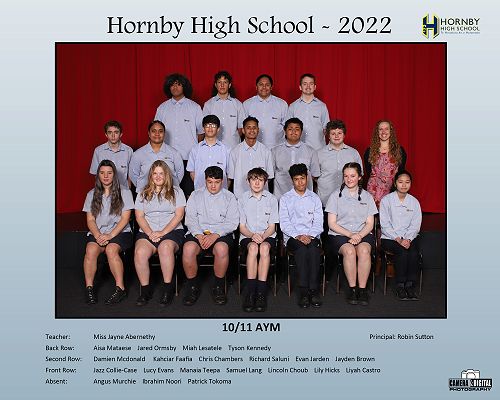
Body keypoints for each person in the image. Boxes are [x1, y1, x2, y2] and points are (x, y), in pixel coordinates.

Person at [182, 166, 239, 306]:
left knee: (221, 249)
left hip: (220, 233)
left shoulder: (229, 197)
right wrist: (199, 235)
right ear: (205, 181)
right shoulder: (195, 195)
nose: (213, 186)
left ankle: (218, 286)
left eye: (217, 182)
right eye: (210, 182)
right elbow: (190, 219)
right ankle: (192, 286)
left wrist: (215, 235)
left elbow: (232, 222)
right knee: (188, 249)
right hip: (199, 232)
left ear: (222, 181)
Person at [133, 160, 186, 307]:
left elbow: (179, 215)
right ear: (151, 175)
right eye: (155, 173)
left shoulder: (177, 192)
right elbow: (139, 216)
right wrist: (150, 233)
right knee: (140, 252)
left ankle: (167, 289)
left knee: (165, 248)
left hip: (171, 231)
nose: (158, 176)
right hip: (148, 231)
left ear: (166, 175)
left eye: (161, 173)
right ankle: (145, 291)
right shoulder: (142, 193)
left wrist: (162, 232)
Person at [82, 160, 134, 305]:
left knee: (111, 249)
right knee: (91, 250)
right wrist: (98, 235)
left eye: (109, 173)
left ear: (114, 175)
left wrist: (110, 235)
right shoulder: (91, 194)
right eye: (102, 173)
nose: (106, 176)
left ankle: (120, 289)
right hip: (99, 232)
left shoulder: (125, 192)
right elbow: (90, 220)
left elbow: (125, 218)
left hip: (120, 232)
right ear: (98, 175)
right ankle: (89, 288)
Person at [326, 162, 377, 306]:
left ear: (360, 177)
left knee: (364, 251)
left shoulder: (367, 196)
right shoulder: (335, 196)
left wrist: (359, 235)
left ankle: (362, 290)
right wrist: (350, 234)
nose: (349, 179)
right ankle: (353, 289)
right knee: (349, 251)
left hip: (362, 233)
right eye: (346, 176)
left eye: (353, 176)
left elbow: (370, 223)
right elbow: (332, 224)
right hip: (340, 234)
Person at [279, 163, 323, 308]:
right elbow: (284, 223)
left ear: (307, 178)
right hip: (293, 237)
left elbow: (318, 223)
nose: (300, 182)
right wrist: (298, 236)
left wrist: (309, 236)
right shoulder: (285, 198)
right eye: (296, 179)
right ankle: (304, 291)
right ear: (292, 180)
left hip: (312, 236)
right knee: (302, 251)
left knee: (314, 250)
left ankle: (313, 290)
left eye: (302, 178)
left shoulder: (315, 198)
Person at [154, 73, 203, 196]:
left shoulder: (194, 107)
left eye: (178, 84)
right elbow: (155, 130)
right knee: (167, 191)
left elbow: (201, 133)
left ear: (184, 87)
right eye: (172, 85)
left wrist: (194, 151)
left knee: (188, 191)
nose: (175, 87)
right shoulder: (162, 108)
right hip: (166, 157)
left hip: (188, 157)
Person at [238, 168, 279, 312]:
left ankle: (261, 293)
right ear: (248, 181)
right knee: (253, 248)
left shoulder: (272, 199)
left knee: (264, 248)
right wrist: (252, 235)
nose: (257, 183)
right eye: (254, 179)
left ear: (265, 182)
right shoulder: (242, 199)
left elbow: (272, 227)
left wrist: (263, 236)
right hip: (247, 235)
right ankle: (251, 293)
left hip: (267, 235)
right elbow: (241, 227)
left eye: (260, 180)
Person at [379, 170, 422, 300]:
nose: (404, 185)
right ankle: (400, 285)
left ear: (411, 184)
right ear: (395, 183)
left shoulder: (414, 202)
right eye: (400, 182)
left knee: (413, 252)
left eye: (407, 182)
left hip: (409, 238)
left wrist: (408, 239)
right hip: (390, 238)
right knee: (402, 251)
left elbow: (415, 225)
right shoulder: (386, 200)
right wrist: (398, 239)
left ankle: (410, 285)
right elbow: (385, 225)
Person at [129, 120, 184, 193]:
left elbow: (180, 173)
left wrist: (171, 188)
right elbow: (133, 175)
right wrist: (144, 189)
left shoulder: (174, 153)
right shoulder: (138, 154)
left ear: (164, 134)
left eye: (160, 131)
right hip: (145, 194)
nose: (157, 134)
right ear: (149, 133)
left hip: (169, 193)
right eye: (153, 131)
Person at [317, 120, 363, 207]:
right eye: (333, 133)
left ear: (344, 135)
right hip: (325, 201)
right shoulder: (319, 154)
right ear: (328, 136)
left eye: (339, 133)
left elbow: (360, 176)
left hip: (349, 201)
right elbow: (314, 177)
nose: (336, 136)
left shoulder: (353, 153)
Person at [271, 117, 320, 200]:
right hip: (281, 196)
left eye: (297, 129)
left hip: (305, 198)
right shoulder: (274, 151)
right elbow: (270, 175)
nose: (293, 132)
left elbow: (315, 176)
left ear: (301, 132)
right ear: (285, 131)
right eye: (290, 129)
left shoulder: (311, 151)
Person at [227, 116, 274, 199]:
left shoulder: (266, 151)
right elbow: (231, 178)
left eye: (254, 128)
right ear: (243, 130)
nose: (252, 130)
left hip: (261, 198)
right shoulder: (235, 151)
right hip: (240, 198)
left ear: (258, 130)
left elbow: (269, 178)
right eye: (248, 127)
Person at [364, 120, 407, 208]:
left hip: (392, 191)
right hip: (373, 192)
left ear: (391, 132)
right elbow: (368, 172)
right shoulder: (369, 151)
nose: (384, 132)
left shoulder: (400, 151)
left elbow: (401, 174)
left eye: (386, 129)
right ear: (377, 132)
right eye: (381, 129)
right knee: (373, 215)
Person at [203, 70, 246, 149]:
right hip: (213, 147)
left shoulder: (238, 104)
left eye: (225, 82)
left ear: (229, 85)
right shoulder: (208, 104)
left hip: (233, 146)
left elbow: (241, 128)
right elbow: (205, 127)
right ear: (216, 85)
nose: (222, 85)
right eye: (219, 82)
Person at [286, 73, 330, 151]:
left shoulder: (322, 106)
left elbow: (326, 129)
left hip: (317, 149)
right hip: (297, 150)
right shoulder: (293, 106)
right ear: (300, 87)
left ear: (315, 87)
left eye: (311, 84)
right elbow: (287, 129)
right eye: (305, 84)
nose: (308, 86)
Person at [243, 74, 288, 148]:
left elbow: (287, 128)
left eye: (267, 85)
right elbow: (243, 128)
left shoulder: (282, 104)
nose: (264, 87)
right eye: (261, 84)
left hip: (277, 148)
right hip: (254, 148)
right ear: (256, 87)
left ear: (271, 87)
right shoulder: (247, 104)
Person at [187, 114, 230, 190]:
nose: (210, 128)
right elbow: (192, 172)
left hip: (221, 192)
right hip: (200, 191)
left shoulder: (226, 150)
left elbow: (229, 175)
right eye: (207, 125)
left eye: (213, 125)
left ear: (218, 129)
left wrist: (222, 190)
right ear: (203, 129)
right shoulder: (195, 149)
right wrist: (201, 188)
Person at [89, 120, 133, 189]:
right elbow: (95, 173)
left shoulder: (128, 150)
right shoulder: (98, 151)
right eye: (110, 132)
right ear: (106, 134)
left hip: (123, 190)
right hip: (104, 190)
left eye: (116, 132)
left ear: (121, 134)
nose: (113, 136)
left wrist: (128, 186)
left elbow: (132, 171)